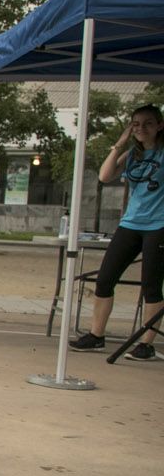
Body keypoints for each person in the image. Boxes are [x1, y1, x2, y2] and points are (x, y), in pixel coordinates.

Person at [70, 103, 164, 360]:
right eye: (136, 124)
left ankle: (146, 343)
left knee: (151, 286)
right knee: (105, 278)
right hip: (131, 223)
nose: (141, 128)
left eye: (147, 123)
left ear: (159, 125)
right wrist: (119, 144)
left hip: (159, 225)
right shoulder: (133, 154)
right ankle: (96, 335)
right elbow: (104, 175)